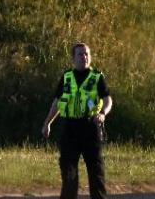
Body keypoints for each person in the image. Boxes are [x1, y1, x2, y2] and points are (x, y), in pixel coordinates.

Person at [41, 43, 112, 199]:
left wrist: (102, 113)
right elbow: (57, 103)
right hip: (70, 128)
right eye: (80, 54)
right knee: (68, 172)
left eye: (86, 54)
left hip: (90, 127)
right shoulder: (67, 77)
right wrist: (48, 123)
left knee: (96, 172)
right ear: (73, 58)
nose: (84, 57)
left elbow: (108, 100)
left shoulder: (97, 77)